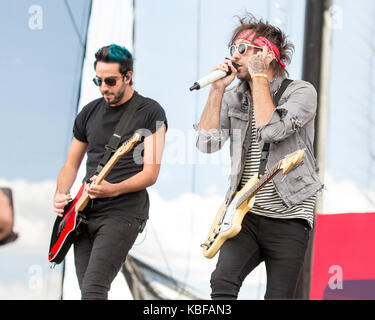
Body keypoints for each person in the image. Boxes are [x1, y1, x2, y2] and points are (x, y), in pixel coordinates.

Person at [194, 14, 323, 299]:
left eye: (242, 49)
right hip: (245, 214)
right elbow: (206, 143)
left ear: (268, 54)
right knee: (222, 284)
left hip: (290, 216)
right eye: (232, 49)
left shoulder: (301, 92)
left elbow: (272, 130)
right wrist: (217, 91)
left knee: (279, 295)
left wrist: (260, 77)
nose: (234, 56)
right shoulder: (234, 97)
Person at [53, 44, 167, 300]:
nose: (104, 87)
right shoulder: (89, 112)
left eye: (111, 81)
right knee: (88, 293)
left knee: (94, 290)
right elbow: (71, 164)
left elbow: (151, 173)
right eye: (99, 80)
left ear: (129, 76)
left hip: (123, 212)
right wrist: (61, 194)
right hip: (82, 213)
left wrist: (112, 189)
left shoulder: (151, 112)